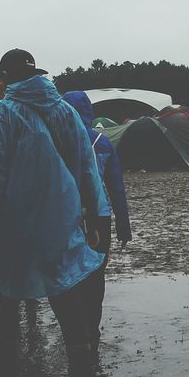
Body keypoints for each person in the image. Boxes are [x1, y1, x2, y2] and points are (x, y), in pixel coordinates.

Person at [0, 49, 110, 377]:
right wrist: (91, 214)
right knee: (65, 293)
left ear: (3, 79)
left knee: (7, 299)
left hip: (14, 223)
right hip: (63, 218)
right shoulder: (64, 110)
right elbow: (86, 165)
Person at [62, 90, 132, 350]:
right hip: (99, 217)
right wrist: (123, 225)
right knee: (96, 274)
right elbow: (116, 188)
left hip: (65, 217)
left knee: (68, 272)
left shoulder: (55, 140)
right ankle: (92, 327)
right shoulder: (102, 142)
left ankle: (74, 330)